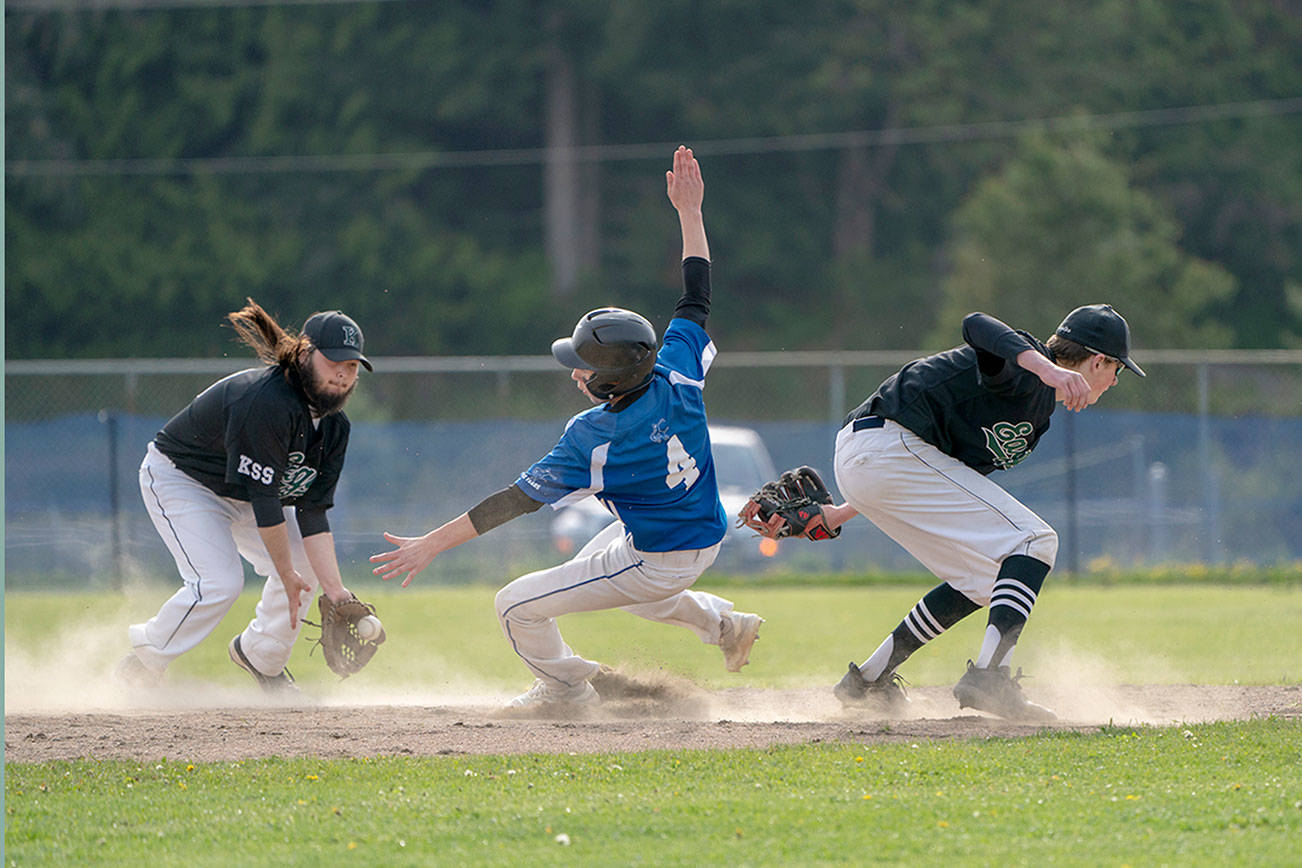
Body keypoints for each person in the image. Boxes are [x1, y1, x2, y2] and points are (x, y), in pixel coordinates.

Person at [371, 146, 763, 709]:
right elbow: (696, 297)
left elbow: (513, 502)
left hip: (657, 560)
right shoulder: (676, 374)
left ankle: (567, 688)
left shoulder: (595, 437)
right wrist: (690, 212)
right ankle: (727, 628)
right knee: (608, 580)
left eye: (581, 364)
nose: (574, 370)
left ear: (605, 381)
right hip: (703, 537)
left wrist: (430, 544)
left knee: (514, 605)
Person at [803, 305, 1143, 720]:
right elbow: (976, 324)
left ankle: (870, 682)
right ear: (1097, 360)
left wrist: (840, 513)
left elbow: (947, 471)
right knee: (1035, 541)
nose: (1114, 381)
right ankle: (989, 678)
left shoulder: (1037, 417)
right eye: (1116, 369)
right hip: (886, 443)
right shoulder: (1025, 365)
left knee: (987, 579)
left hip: (883, 461)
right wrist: (1048, 369)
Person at [115, 299, 371, 696]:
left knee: (305, 567)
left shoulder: (335, 428)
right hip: (184, 481)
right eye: (333, 361)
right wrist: (284, 574)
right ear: (305, 353)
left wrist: (335, 591)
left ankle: (263, 657)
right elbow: (267, 500)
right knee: (218, 582)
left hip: (246, 496)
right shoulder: (266, 402)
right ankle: (144, 661)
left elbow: (312, 510)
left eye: (352, 366)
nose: (342, 374)